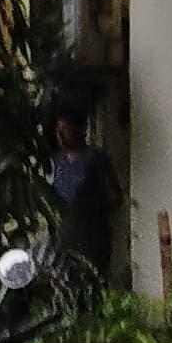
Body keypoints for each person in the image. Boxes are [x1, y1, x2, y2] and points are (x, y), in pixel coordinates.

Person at [49, 111, 122, 282]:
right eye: (59, 129)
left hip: (92, 234)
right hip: (65, 234)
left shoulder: (95, 159)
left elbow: (115, 197)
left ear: (80, 130)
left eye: (66, 129)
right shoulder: (56, 161)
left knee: (93, 280)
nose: (61, 135)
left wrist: (92, 209)